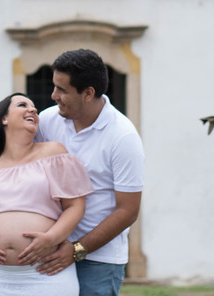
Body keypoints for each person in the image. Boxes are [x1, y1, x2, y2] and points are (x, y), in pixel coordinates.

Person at [0, 93, 92, 296]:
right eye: (23, 105)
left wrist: (51, 238)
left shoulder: (53, 153)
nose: (32, 110)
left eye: (34, 108)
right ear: (3, 119)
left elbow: (75, 206)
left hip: (45, 274)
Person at [33, 49, 145, 296]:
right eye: (54, 87)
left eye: (62, 90)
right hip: (49, 252)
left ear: (88, 93)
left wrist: (75, 250)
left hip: (98, 261)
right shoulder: (47, 120)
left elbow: (128, 211)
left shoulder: (123, 136)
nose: (54, 96)